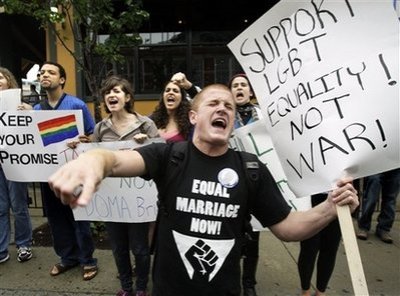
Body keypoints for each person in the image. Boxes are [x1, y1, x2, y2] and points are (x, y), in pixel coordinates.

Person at [48, 84, 359, 296]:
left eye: (228, 106)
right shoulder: (169, 156)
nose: (222, 108)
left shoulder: (250, 169)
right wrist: (93, 159)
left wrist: (332, 206)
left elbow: (290, 227)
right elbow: (116, 160)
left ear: (233, 119)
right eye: (213, 103)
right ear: (194, 116)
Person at [92, 76, 158, 296]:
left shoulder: (146, 124)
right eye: (108, 92)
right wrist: (78, 145)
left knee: (140, 248)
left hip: (138, 199)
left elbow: (158, 155)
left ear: (127, 97)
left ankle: (141, 288)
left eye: (117, 91)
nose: (112, 95)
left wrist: (146, 143)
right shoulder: (101, 128)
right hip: (112, 200)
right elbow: (94, 157)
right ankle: (126, 288)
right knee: (118, 248)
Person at [33, 61, 98, 280]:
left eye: (51, 72)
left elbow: (93, 135)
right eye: (42, 72)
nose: (45, 75)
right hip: (47, 174)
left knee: (79, 217)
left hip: (74, 173)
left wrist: (84, 140)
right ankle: (67, 258)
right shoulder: (36, 110)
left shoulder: (76, 105)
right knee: (56, 219)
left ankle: (88, 260)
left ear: (61, 79)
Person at [228, 73, 263, 296]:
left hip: (256, 184)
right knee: (231, 236)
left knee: (253, 239)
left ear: (250, 91)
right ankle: (229, 280)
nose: (239, 88)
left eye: (243, 85)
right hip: (231, 186)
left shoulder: (263, 115)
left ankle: (248, 283)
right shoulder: (225, 114)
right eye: (235, 85)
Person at [0, 67, 33, 264]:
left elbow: (33, 127)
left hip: (14, 162)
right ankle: (2, 248)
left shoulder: (20, 105)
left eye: (0, 77)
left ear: (9, 81)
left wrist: (30, 111)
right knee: (0, 207)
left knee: (19, 205)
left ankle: (23, 244)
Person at [297, 193, 341, 296]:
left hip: (337, 196)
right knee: (309, 248)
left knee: (330, 248)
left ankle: (321, 292)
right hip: (312, 195)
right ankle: (305, 292)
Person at [357, 168, 400, 244]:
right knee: (371, 197)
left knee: (391, 198)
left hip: (396, 165)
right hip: (377, 163)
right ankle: (364, 226)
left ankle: (384, 228)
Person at [150, 78, 192, 142]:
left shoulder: (190, 121)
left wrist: (190, 86)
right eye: (167, 90)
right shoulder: (152, 119)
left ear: (182, 98)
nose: (171, 93)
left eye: (175, 91)